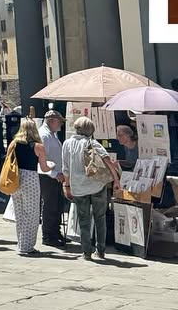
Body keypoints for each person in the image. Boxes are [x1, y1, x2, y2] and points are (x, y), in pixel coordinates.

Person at [62, 116, 122, 261]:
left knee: (84, 220)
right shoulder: (93, 143)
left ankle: (86, 252)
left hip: (78, 187)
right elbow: (107, 160)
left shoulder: (67, 144)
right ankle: (100, 250)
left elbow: (65, 168)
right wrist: (116, 179)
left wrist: (67, 185)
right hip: (96, 186)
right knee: (100, 218)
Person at [9, 117, 51, 256]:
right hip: (30, 178)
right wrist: (52, 166)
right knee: (32, 213)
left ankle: (21, 243)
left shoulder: (14, 144)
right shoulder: (38, 146)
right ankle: (26, 246)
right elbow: (44, 168)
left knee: (19, 212)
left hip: (15, 177)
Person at [38, 110, 68, 247]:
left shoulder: (52, 134)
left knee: (57, 205)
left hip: (56, 175)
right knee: (50, 206)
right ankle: (49, 235)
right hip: (48, 176)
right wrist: (55, 174)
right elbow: (42, 160)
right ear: (51, 121)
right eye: (59, 122)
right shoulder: (44, 135)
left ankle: (55, 232)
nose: (60, 125)